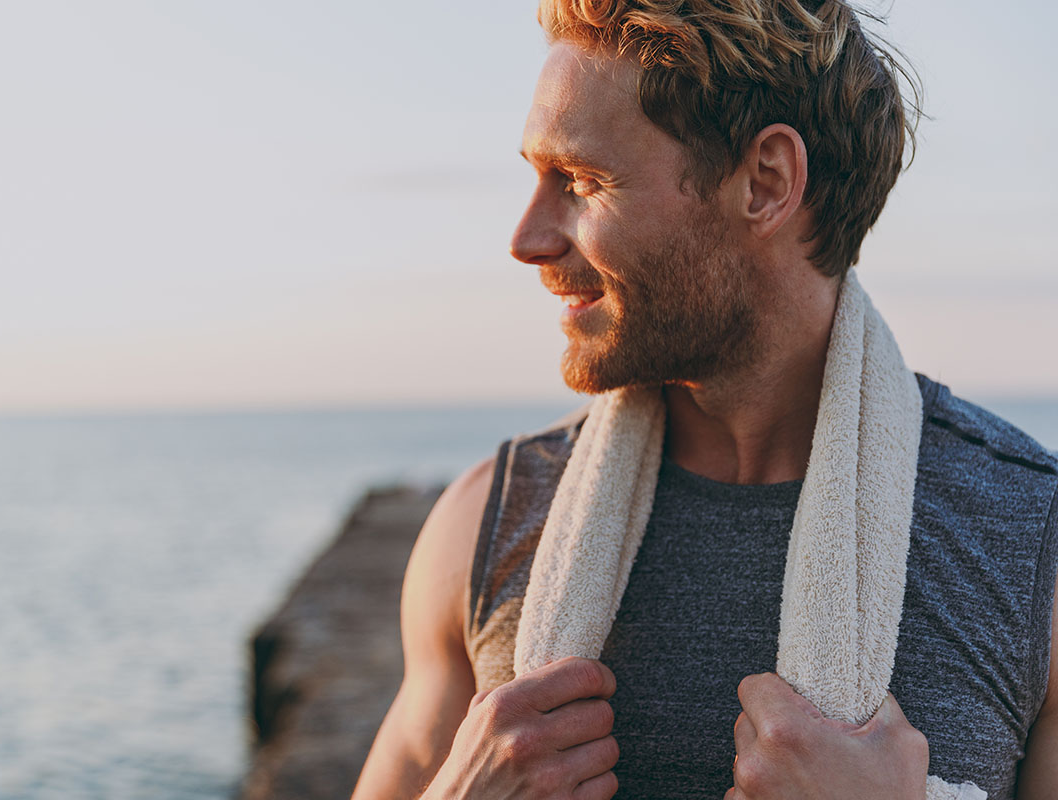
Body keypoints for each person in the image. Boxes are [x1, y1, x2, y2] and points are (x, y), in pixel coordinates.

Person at [352, 1, 1058, 797]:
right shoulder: (483, 526)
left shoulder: (1032, 548)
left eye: (581, 181)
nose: (528, 238)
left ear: (765, 183)